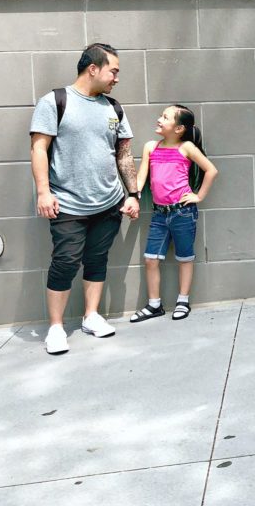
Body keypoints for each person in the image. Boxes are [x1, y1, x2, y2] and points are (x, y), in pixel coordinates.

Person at [30, 43, 140, 355]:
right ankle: (55, 327)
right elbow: (39, 148)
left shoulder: (113, 108)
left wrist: (133, 194)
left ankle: (91, 316)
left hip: (108, 203)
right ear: (93, 68)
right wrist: (43, 192)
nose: (116, 78)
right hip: (68, 204)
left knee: (97, 260)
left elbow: (124, 154)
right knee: (64, 262)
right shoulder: (55, 101)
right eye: (113, 70)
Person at [130, 105, 217, 322]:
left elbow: (211, 170)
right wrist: (134, 195)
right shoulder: (151, 147)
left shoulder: (186, 147)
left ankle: (183, 301)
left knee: (184, 258)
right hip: (159, 215)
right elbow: (141, 177)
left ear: (178, 128)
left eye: (165, 117)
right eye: (161, 115)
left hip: (183, 213)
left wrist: (198, 196)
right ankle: (154, 305)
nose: (159, 119)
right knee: (151, 259)